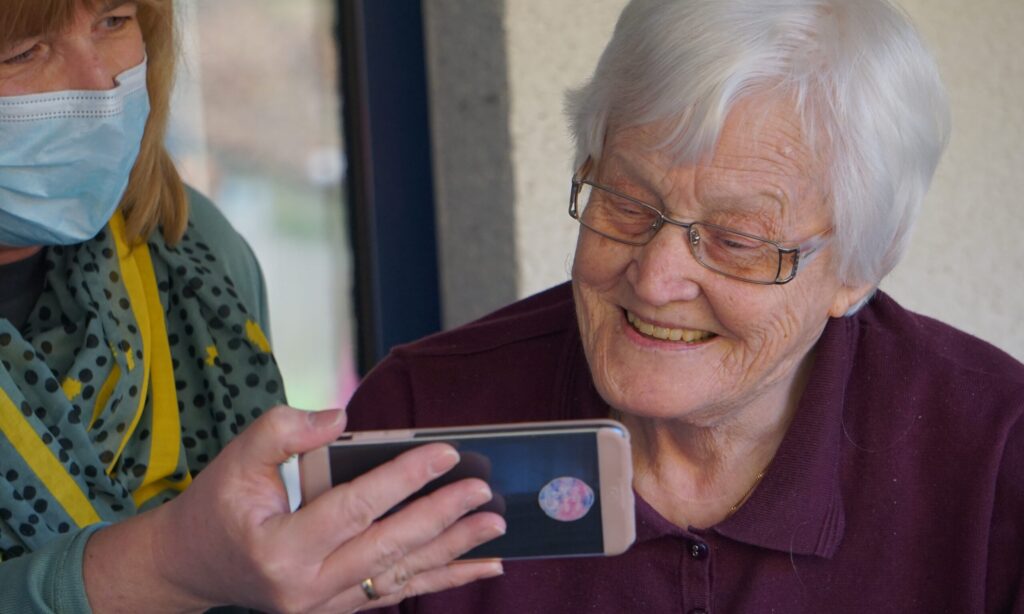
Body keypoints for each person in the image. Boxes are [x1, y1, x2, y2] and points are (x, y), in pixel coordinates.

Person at [346, 0, 1024, 612]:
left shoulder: (996, 454)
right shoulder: (422, 417)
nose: (654, 278)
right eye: (627, 202)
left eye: (737, 240)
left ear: (858, 269)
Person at [0, 1, 506, 612]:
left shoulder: (188, 252)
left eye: (113, 21)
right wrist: (168, 566)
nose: (100, 83)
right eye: (23, 52)